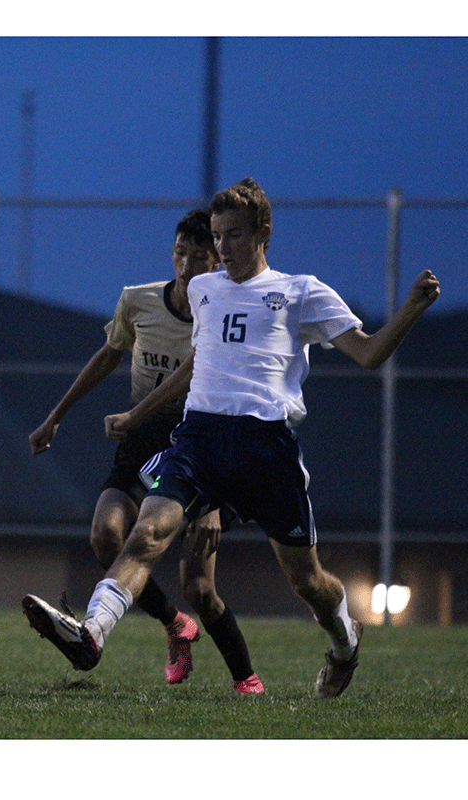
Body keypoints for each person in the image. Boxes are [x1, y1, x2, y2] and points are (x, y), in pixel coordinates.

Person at [24, 177, 440, 698]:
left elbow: (370, 352)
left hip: (266, 447)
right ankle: (92, 634)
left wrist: (412, 307)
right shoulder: (205, 290)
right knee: (146, 534)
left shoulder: (300, 292)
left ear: (262, 233)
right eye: (217, 236)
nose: (221, 247)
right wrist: (138, 414)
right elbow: (198, 365)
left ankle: (343, 640)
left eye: (233, 235)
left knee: (307, 581)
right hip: (198, 437)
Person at [25, 209, 264, 694]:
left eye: (200, 256)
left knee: (200, 587)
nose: (187, 264)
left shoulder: (224, 314)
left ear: (217, 262)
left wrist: (214, 503)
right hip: (141, 446)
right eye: (181, 252)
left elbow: (231, 399)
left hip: (199, 449)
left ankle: (246, 678)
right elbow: (109, 355)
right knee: (105, 536)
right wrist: (56, 415)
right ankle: (173, 624)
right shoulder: (138, 301)